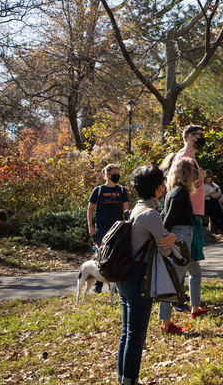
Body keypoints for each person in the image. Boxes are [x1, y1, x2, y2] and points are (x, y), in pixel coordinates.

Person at [117, 165, 176, 385]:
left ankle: (123, 379)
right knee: (136, 336)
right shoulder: (151, 214)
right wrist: (171, 238)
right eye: (163, 181)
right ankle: (130, 381)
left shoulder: (136, 209)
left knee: (127, 333)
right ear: (156, 187)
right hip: (138, 276)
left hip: (124, 275)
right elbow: (165, 250)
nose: (165, 184)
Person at [158, 156, 208, 333]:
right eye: (193, 170)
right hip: (180, 237)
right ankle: (165, 324)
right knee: (173, 280)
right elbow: (169, 216)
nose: (196, 173)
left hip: (184, 235)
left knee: (195, 271)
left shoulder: (174, 190)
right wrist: (164, 237)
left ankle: (194, 309)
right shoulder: (179, 192)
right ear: (186, 172)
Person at [87, 164, 130, 293]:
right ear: (107, 175)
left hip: (117, 229)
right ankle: (97, 285)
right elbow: (90, 209)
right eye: (114, 173)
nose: (117, 175)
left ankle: (116, 286)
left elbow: (126, 210)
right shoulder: (98, 190)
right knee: (100, 256)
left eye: (118, 173)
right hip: (101, 228)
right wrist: (90, 227)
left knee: (116, 256)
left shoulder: (122, 190)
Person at [203, 169, 223, 237]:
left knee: (220, 215)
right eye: (207, 177)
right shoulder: (203, 186)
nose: (209, 179)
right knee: (214, 217)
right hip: (208, 202)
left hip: (216, 201)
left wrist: (221, 197)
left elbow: (219, 193)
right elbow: (201, 197)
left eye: (210, 177)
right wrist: (210, 193)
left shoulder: (214, 184)